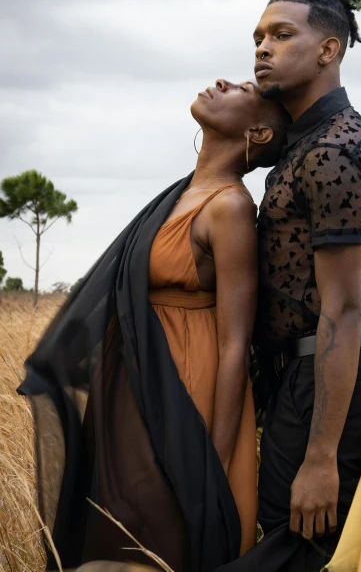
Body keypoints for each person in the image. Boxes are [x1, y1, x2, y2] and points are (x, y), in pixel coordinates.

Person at [18, 79, 291, 572]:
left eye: (244, 88)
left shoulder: (229, 207)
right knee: (115, 536)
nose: (224, 82)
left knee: (161, 538)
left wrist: (214, 461)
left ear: (258, 132)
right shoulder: (182, 192)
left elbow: (235, 344)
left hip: (186, 384)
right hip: (136, 380)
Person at [222, 0, 361, 572]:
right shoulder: (315, 141)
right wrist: (338, 307)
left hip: (333, 377)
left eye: (282, 35)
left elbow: (341, 305)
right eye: (258, 36)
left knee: (295, 539)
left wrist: (322, 455)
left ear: (328, 49)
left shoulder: (335, 148)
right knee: (305, 541)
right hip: (323, 365)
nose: (263, 48)